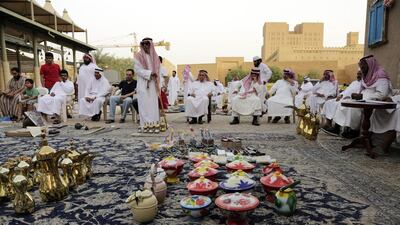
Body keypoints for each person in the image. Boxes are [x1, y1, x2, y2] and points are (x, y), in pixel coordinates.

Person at [328, 55, 392, 138]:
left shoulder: (380, 74)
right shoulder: (366, 74)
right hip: (364, 97)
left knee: (354, 107)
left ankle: (354, 131)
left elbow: (382, 94)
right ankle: (339, 128)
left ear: (369, 64)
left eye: (363, 66)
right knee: (344, 102)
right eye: (361, 66)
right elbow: (362, 89)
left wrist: (365, 98)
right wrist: (356, 96)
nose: (361, 68)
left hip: (376, 99)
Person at [134, 38, 162, 133]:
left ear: (151, 45)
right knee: (144, 104)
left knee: (153, 104)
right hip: (143, 83)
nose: (146, 45)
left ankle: (154, 124)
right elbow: (137, 70)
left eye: (147, 44)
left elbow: (159, 70)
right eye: (144, 44)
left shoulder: (156, 57)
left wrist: (157, 79)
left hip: (153, 84)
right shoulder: (138, 56)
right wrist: (149, 73)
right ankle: (145, 125)